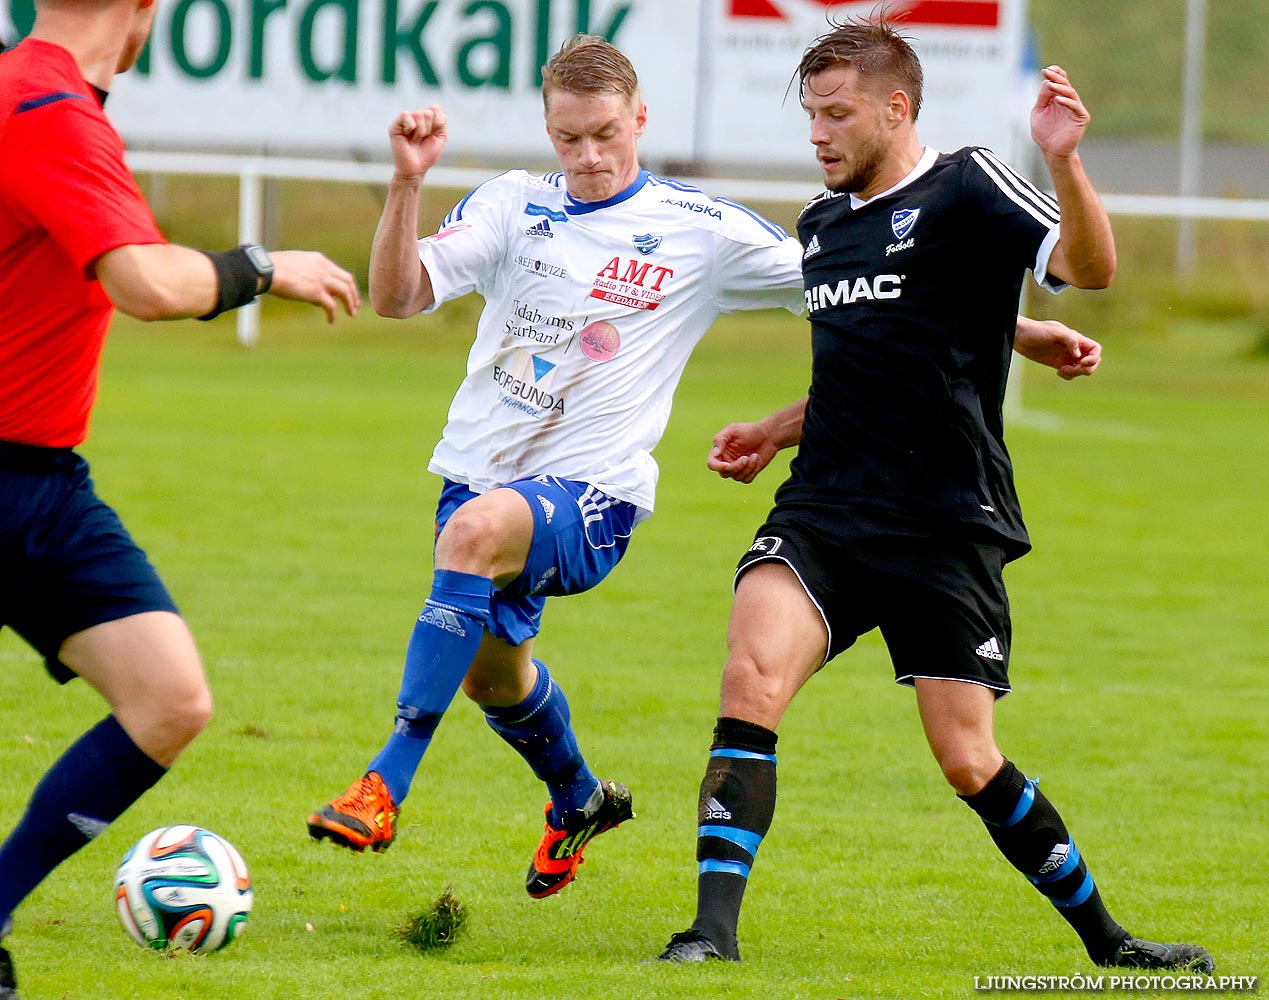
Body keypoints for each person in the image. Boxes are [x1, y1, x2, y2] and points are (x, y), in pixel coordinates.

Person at [655, 17, 1213, 973]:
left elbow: (1088, 269)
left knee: (967, 759)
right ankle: (710, 933)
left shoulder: (967, 183)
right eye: (810, 116)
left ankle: (1109, 944)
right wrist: (771, 429)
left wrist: (1064, 165)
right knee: (750, 680)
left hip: (945, 524)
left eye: (836, 114)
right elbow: (866, 358)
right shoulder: (823, 224)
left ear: (894, 106)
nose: (819, 135)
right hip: (824, 511)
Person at [303, 33, 808, 899]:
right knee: (492, 674)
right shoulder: (509, 204)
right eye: (568, 139)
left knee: (472, 535)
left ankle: (383, 783)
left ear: (640, 118)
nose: (589, 157)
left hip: (595, 496)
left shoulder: (703, 230)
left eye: (606, 134)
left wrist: (1011, 331)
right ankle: (577, 798)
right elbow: (396, 297)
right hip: (478, 474)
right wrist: (405, 184)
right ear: (547, 130)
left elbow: (860, 294)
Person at [0, 0, 360, 993]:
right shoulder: (43, 106)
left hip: (41, 481)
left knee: (167, 697)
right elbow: (147, 282)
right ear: (144, 7)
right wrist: (264, 266)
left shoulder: (50, 97)